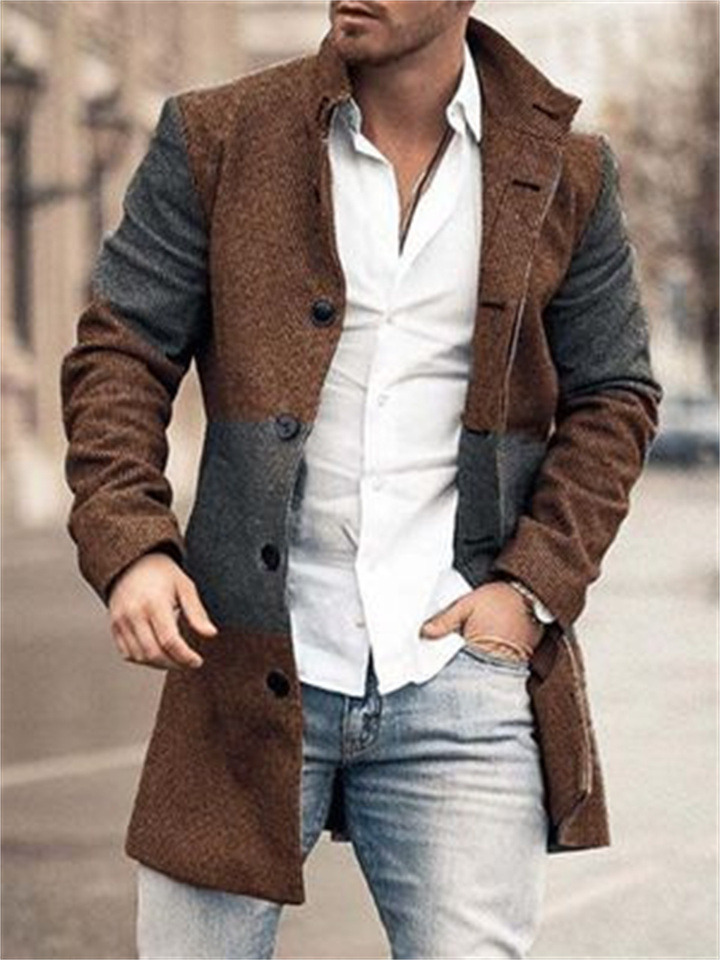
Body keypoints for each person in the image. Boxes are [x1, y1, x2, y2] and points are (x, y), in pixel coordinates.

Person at [59, 2, 662, 957]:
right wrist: (131, 544)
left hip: (455, 670)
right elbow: (120, 352)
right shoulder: (219, 136)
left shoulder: (566, 170)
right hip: (244, 658)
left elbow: (615, 395)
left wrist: (528, 591)